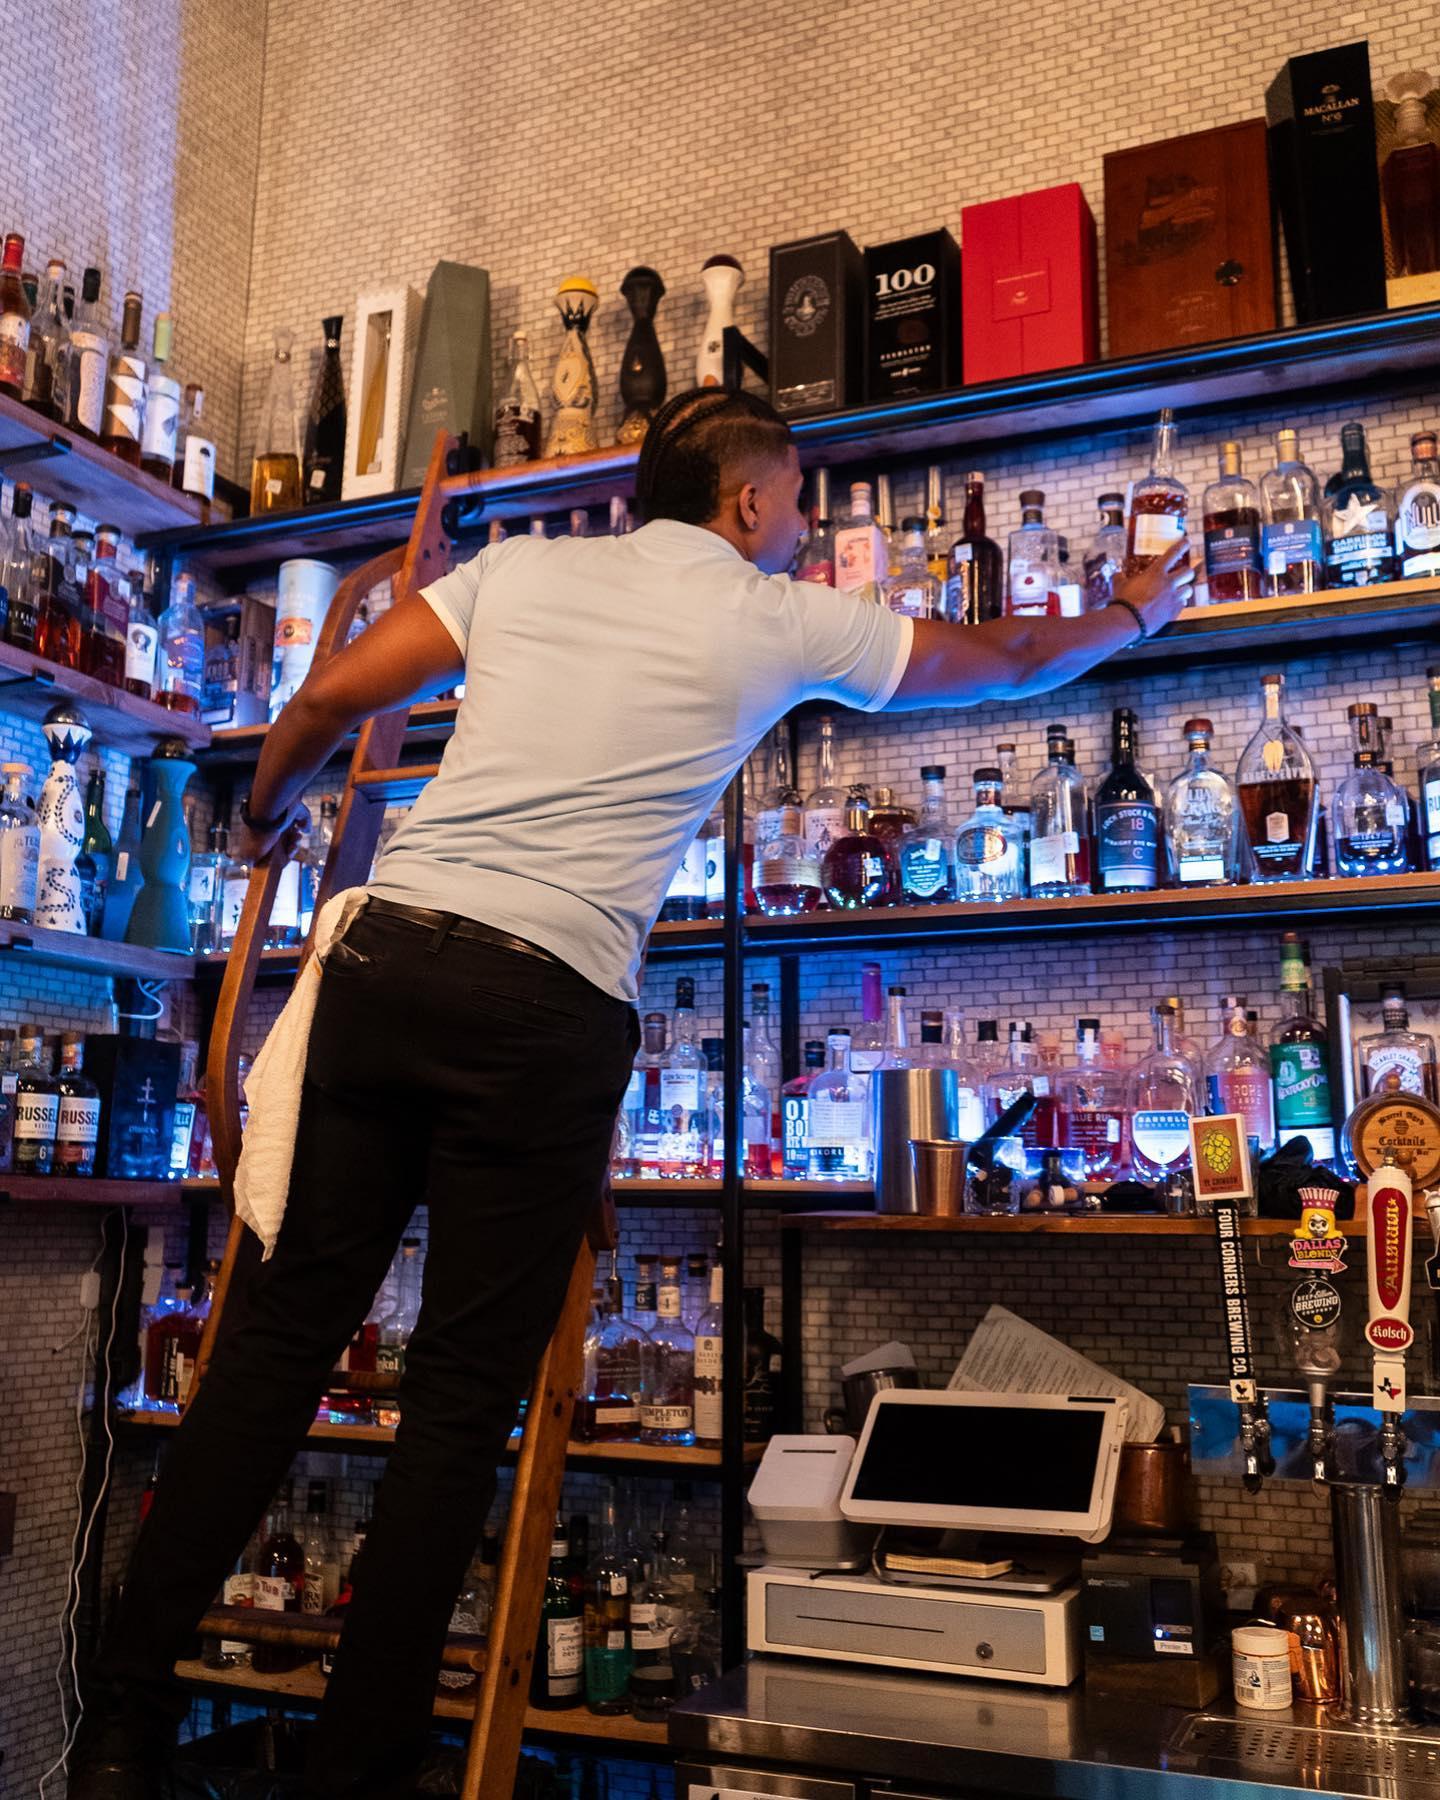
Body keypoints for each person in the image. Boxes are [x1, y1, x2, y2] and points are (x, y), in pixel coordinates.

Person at [72, 388, 1190, 1800]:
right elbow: (1015, 652)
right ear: (743, 506)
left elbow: (332, 696)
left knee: (274, 1351)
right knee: (461, 1408)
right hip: (544, 1007)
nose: (805, 530)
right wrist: (1137, 612)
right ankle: (355, 1779)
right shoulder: (779, 617)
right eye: (797, 506)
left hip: (387, 964)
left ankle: (117, 1725)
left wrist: (266, 807)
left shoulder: (524, 568)